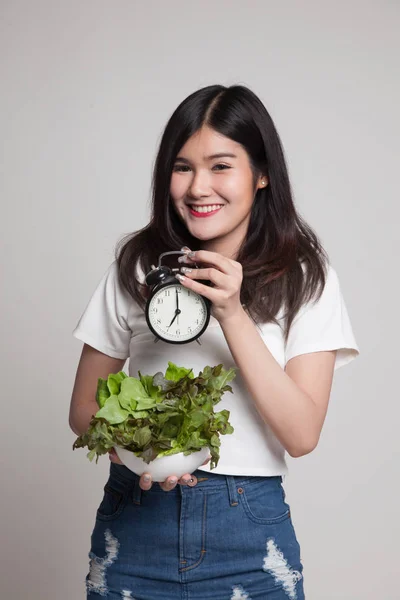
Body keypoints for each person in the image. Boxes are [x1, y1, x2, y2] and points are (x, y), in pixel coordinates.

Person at [69, 84, 359, 600]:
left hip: (249, 531)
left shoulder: (305, 277)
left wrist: (231, 311)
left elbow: (301, 433)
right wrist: (144, 453)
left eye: (221, 166)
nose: (199, 187)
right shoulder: (138, 267)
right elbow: (83, 409)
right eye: (182, 167)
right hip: (135, 524)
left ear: (262, 173)